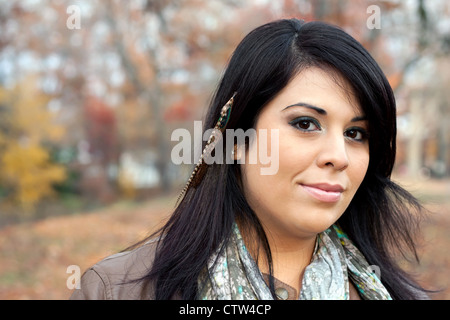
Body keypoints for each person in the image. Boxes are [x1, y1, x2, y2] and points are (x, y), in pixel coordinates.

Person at [70, 18, 429, 300]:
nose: (339, 157)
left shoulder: (394, 294)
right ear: (237, 139)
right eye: (306, 124)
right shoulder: (117, 290)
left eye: (356, 134)